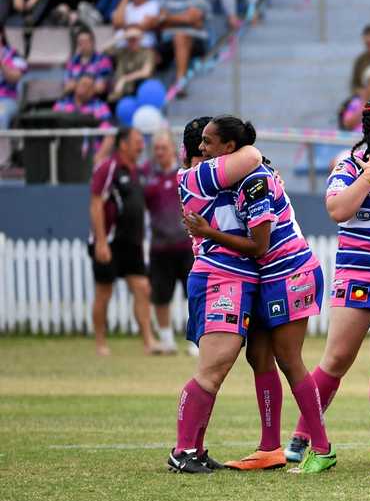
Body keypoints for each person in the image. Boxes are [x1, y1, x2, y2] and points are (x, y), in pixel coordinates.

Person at [183, 115, 336, 473]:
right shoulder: (237, 176)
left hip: (289, 272)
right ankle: (270, 448)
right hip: (270, 276)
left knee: (289, 359)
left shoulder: (253, 180)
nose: (202, 150)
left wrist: (208, 232)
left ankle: (323, 448)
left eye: (208, 142)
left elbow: (259, 245)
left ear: (229, 148)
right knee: (259, 357)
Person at [283, 95, 370, 464]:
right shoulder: (349, 164)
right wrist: (369, 176)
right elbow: (337, 210)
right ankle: (301, 435)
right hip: (358, 276)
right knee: (337, 359)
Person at [166, 117, 265, 473]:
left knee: (216, 370)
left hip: (226, 277)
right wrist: (235, 143)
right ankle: (183, 451)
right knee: (211, 369)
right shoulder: (196, 176)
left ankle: (195, 447)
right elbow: (252, 155)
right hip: (220, 278)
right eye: (205, 143)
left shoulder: (211, 177)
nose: (210, 149)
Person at [89, 126, 154, 356]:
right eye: (137, 141)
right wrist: (100, 242)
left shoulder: (137, 170)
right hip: (109, 241)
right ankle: (100, 343)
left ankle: (149, 342)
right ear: (123, 144)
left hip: (132, 243)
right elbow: (96, 203)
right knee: (104, 291)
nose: (141, 145)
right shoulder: (109, 168)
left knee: (142, 288)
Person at [142, 132, 191, 356]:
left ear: (173, 149)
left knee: (195, 295)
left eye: (163, 147)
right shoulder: (147, 177)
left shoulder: (185, 175)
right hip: (160, 248)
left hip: (186, 246)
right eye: (156, 148)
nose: (160, 152)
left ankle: (196, 342)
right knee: (161, 296)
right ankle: (167, 340)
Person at [159, 0, 213, 87]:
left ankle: (180, 82)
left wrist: (169, 18)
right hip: (168, 40)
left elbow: (195, 20)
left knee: (180, 36)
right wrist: (185, 18)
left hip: (196, 41)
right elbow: (160, 20)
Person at [106, 28, 156, 103]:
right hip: (121, 90)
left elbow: (146, 72)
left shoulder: (147, 52)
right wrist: (120, 38)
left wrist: (125, 79)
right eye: (129, 39)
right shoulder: (123, 51)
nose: (132, 42)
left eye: (134, 39)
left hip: (137, 88)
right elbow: (103, 50)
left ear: (140, 40)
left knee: (141, 81)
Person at [63, 24, 112, 96]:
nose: (83, 45)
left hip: (95, 101)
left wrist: (77, 86)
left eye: (86, 42)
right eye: (80, 42)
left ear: (92, 42)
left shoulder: (103, 60)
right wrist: (87, 85)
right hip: (71, 100)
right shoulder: (72, 62)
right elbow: (67, 87)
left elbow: (100, 88)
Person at [0, 36, 25, 167]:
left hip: (6, 99)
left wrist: (2, 64)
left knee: (0, 116)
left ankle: (2, 160)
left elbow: (15, 78)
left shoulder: (13, 54)